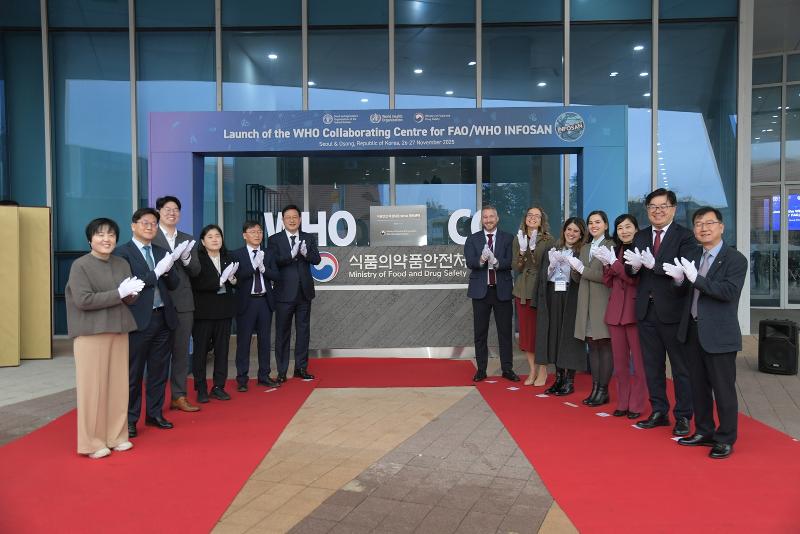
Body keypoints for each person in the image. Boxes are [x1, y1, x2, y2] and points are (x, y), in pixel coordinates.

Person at [662, 207, 747, 459]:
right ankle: (704, 431)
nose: (704, 228)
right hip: (692, 330)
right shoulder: (693, 257)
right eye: (698, 224)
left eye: (709, 223)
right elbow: (684, 294)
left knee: (723, 389)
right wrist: (679, 280)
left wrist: (695, 278)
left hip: (719, 335)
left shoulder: (735, 259)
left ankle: (725, 438)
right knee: (698, 387)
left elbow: (728, 292)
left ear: (721, 227)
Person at [65, 218, 143, 458]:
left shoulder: (121, 263)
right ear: (90, 239)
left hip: (119, 329)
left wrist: (131, 293)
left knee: (118, 386)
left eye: (111, 235)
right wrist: (118, 293)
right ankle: (92, 442)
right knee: (93, 389)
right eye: (100, 235)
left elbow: (127, 298)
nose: (106, 239)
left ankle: (116, 436)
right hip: (91, 332)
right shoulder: (81, 265)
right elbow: (83, 300)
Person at [624, 188, 696, 436]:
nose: (657, 211)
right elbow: (632, 270)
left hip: (673, 311)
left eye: (663, 206)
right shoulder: (641, 235)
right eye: (652, 207)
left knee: (680, 367)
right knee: (652, 366)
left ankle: (684, 415)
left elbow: (686, 276)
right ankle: (659, 411)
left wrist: (657, 268)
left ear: (673, 209)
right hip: (646, 311)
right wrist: (632, 268)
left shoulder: (685, 237)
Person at [114, 208, 182, 437]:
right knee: (134, 374)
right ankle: (131, 419)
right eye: (145, 223)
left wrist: (169, 267)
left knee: (159, 371)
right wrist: (156, 272)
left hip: (163, 318)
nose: (150, 227)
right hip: (138, 321)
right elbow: (130, 285)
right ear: (133, 225)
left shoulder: (162, 251)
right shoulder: (123, 253)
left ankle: (154, 414)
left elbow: (173, 284)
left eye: (154, 223)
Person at [595, 214, 648, 419]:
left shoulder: (642, 251)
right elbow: (608, 282)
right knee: (620, 363)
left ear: (636, 229)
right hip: (615, 312)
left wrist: (614, 266)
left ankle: (636, 404)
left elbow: (634, 280)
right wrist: (607, 265)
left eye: (628, 227)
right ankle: (623, 401)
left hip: (634, 312)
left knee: (639, 363)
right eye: (620, 228)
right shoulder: (615, 250)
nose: (624, 231)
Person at [152, 196, 200, 413]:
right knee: (158, 354)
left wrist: (187, 258)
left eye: (176, 210)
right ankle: (155, 399)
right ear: (159, 211)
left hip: (182, 302)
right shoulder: (150, 236)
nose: (172, 213)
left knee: (181, 352)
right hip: (157, 302)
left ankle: (179, 396)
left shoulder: (187, 238)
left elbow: (196, 271)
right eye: (167, 209)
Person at [268, 205, 322, 381]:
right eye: (288, 217)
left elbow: (317, 259)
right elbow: (273, 262)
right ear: (283, 220)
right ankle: (282, 371)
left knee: (303, 332)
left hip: (304, 293)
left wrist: (306, 255)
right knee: (282, 333)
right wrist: (290, 256)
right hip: (284, 294)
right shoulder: (274, 239)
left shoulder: (308, 237)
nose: (292, 220)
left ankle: (301, 368)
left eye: (295, 217)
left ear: (300, 219)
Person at [465, 206, 519, 382]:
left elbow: (512, 262)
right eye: (485, 217)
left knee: (505, 332)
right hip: (481, 292)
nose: (488, 220)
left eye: (491, 217)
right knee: (480, 332)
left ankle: (507, 369)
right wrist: (481, 260)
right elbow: (469, 262)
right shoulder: (473, 239)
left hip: (501, 291)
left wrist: (496, 262)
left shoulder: (508, 238)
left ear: (497, 218)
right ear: (482, 220)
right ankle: (481, 369)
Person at [535, 217, 588, 395]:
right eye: (569, 229)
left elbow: (582, 278)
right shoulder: (553, 249)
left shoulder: (582, 252)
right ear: (563, 230)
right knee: (555, 335)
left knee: (570, 337)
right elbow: (543, 276)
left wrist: (573, 268)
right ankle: (558, 378)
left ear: (581, 234)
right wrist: (551, 265)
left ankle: (569, 381)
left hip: (571, 296)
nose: (571, 233)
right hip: (554, 295)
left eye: (575, 231)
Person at [190, 224, 239, 403]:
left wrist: (233, 279)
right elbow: (197, 284)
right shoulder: (197, 259)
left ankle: (219, 386)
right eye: (210, 236)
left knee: (222, 351)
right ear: (203, 241)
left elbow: (236, 283)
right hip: (203, 313)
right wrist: (219, 281)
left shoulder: (228, 257)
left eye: (217, 235)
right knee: (201, 352)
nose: (215, 239)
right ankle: (201, 387)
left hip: (224, 311)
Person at [571, 210, 615, 406]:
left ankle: (603, 390)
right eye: (590, 222)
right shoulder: (585, 246)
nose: (594, 225)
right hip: (585, 302)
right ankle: (595, 388)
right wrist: (574, 269)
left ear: (606, 224)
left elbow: (606, 277)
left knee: (604, 346)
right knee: (593, 347)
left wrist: (582, 269)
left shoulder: (611, 245)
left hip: (602, 302)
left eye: (598, 222)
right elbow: (579, 279)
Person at [231, 221, 281, 391]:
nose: (257, 235)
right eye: (253, 232)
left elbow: (277, 275)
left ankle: (264, 375)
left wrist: (263, 269)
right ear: (244, 235)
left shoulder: (269, 253)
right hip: (246, 302)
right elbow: (235, 279)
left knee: (265, 341)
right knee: (243, 342)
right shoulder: (236, 254)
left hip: (265, 301)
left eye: (259, 231)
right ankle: (242, 379)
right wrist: (252, 268)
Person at [512, 207, 554, 386]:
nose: (533, 218)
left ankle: (543, 370)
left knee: (540, 332)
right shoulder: (519, 237)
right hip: (522, 291)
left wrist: (533, 250)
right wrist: (522, 252)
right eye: (530, 215)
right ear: (525, 218)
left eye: (537, 216)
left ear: (542, 220)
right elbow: (517, 266)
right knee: (527, 334)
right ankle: (532, 370)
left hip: (540, 289)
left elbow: (546, 265)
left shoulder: (548, 240)